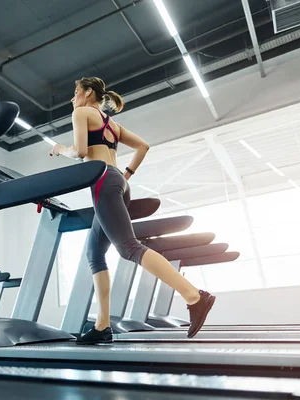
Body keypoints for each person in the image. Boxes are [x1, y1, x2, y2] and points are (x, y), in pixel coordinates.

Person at [49, 77, 215, 344]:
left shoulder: (81, 112)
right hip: (118, 181)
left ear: (88, 93)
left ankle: (195, 296)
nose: (73, 98)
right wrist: (126, 175)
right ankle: (103, 326)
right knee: (95, 253)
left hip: (103, 181)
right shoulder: (111, 123)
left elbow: (80, 152)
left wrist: (59, 149)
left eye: (75, 92)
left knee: (129, 248)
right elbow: (143, 146)